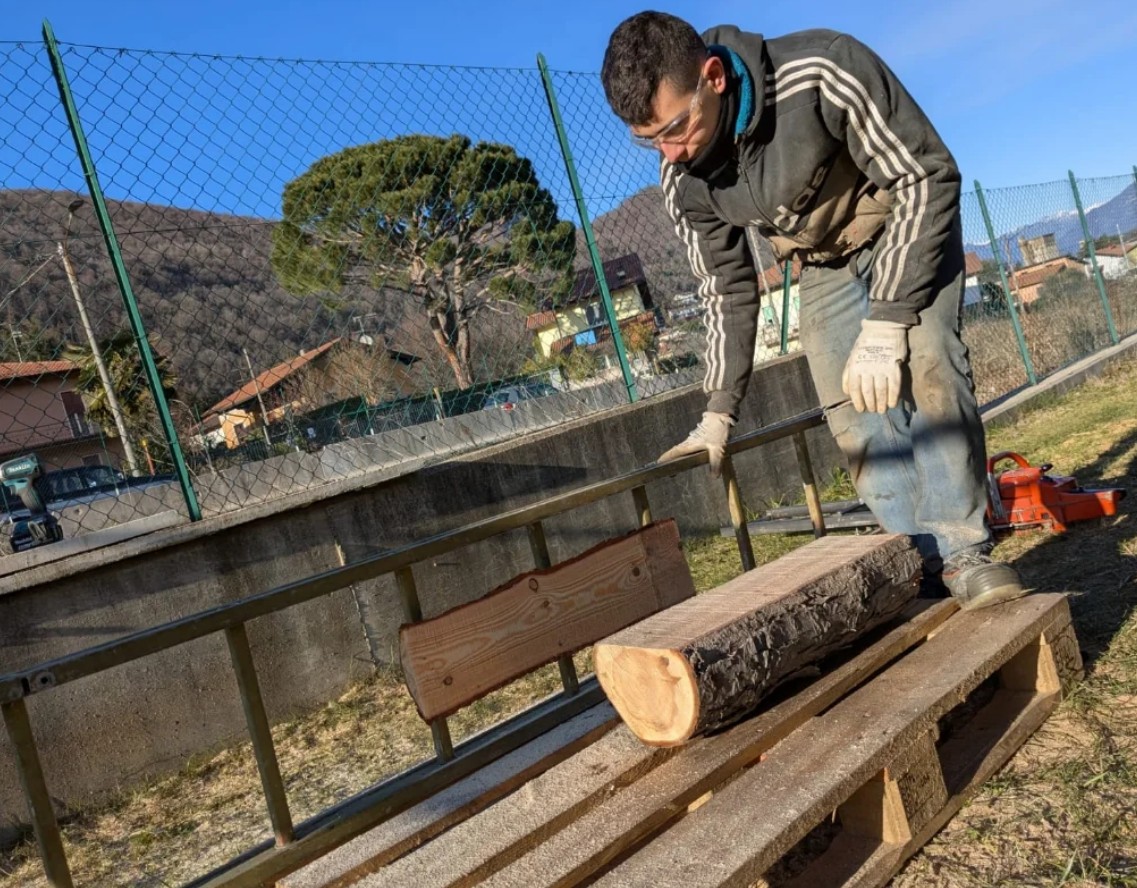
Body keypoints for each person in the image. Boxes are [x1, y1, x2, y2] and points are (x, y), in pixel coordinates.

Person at [601, 11, 1026, 611]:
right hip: (820, 262)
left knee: (929, 365)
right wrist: (718, 411)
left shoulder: (822, 71)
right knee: (853, 415)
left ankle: (964, 551)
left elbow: (923, 176)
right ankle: (919, 561)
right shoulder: (683, 177)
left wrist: (888, 319)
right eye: (648, 140)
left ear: (713, 77)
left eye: (674, 127)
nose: (668, 152)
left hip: (901, 225)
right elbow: (725, 286)